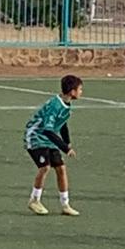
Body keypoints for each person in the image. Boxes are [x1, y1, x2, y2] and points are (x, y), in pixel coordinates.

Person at [24, 75, 83, 216]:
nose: (81, 92)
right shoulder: (54, 105)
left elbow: (62, 123)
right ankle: (34, 200)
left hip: (49, 139)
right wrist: (65, 148)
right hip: (36, 137)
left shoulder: (66, 104)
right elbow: (48, 130)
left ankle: (65, 204)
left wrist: (67, 141)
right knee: (45, 167)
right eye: (80, 89)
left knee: (61, 169)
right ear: (72, 91)